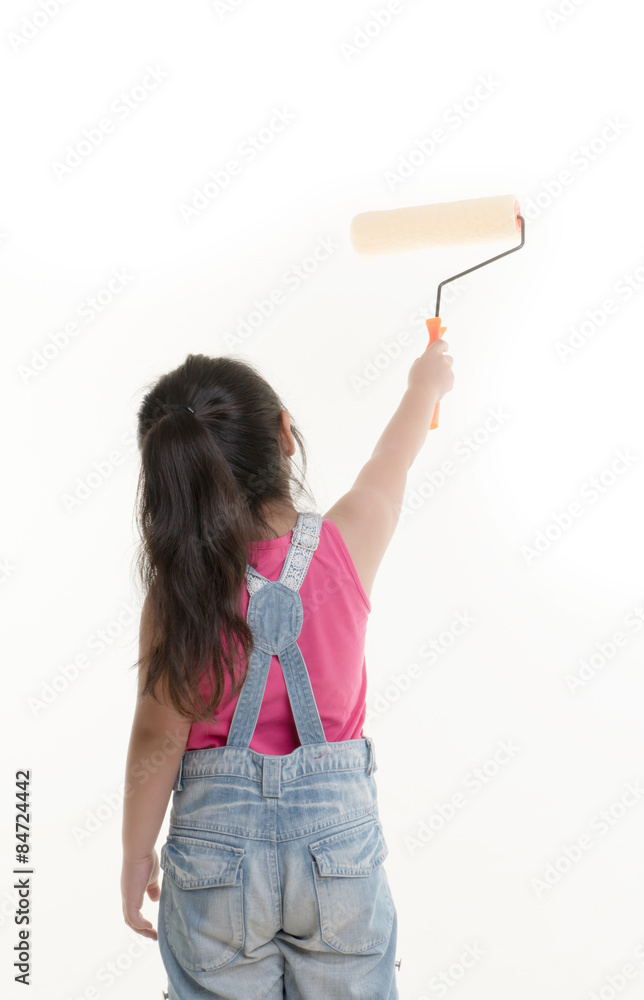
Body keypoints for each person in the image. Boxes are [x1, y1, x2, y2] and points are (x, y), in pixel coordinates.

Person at [120, 337, 454, 999]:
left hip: (217, 864)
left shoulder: (176, 596)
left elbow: (159, 738)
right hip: (339, 857)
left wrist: (135, 853)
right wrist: (426, 386)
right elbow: (391, 458)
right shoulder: (351, 537)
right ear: (283, 436)